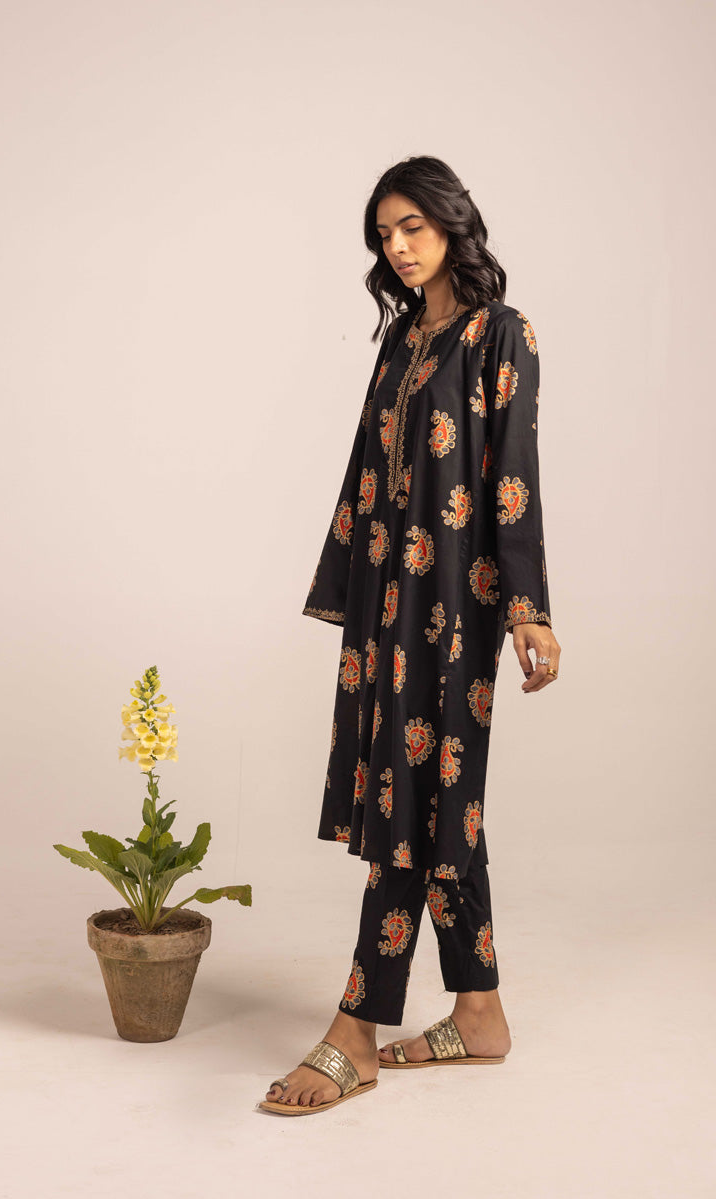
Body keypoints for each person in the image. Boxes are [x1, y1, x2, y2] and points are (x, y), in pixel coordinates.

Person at [258, 155, 561, 1116]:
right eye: (383, 234)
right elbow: (367, 470)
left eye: (411, 227)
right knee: (437, 804)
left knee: (413, 800)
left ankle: (356, 1027)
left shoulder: (500, 333)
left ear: (450, 223)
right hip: (389, 601)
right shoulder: (401, 341)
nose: (396, 246)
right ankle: (480, 1013)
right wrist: (355, 590)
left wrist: (528, 607)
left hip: (458, 606)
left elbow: (513, 472)